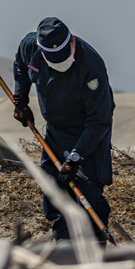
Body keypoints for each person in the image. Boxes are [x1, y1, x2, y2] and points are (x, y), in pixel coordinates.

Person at [12, 17, 115, 244]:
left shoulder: (91, 67)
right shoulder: (31, 46)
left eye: (64, 57)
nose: (60, 62)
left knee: (88, 188)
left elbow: (99, 121)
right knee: (53, 185)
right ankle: (63, 239)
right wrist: (20, 98)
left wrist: (75, 158)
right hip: (55, 130)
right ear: (41, 49)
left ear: (72, 42)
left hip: (87, 132)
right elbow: (20, 64)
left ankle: (95, 244)